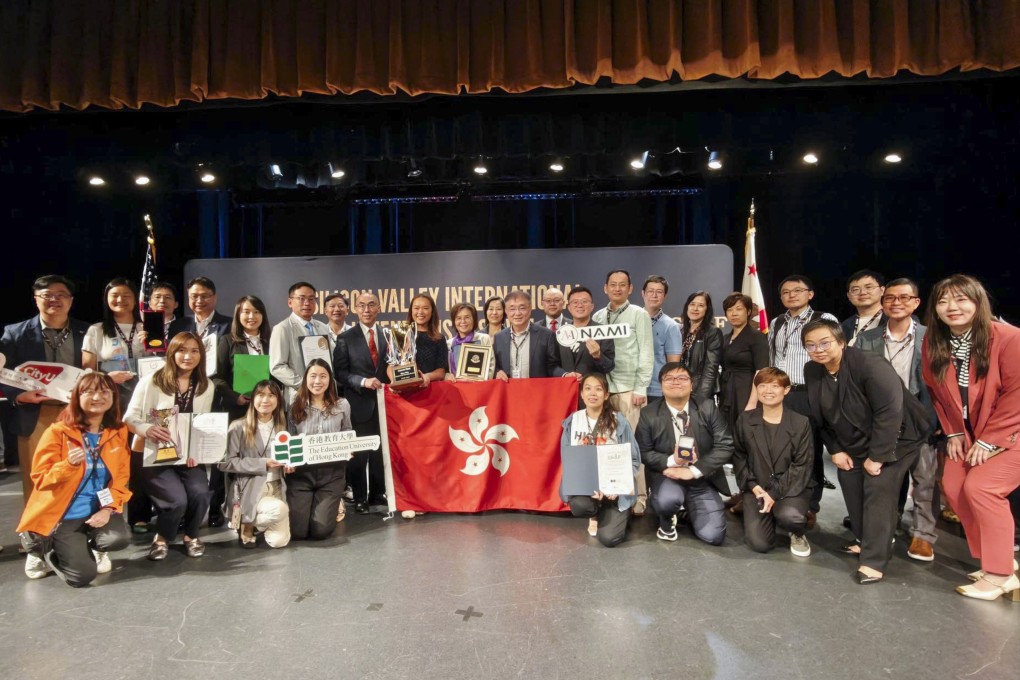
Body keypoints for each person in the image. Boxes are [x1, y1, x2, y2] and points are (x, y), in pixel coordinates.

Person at [803, 319, 931, 584]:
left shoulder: (869, 364)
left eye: (825, 342)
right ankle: (864, 539)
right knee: (849, 479)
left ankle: (874, 560)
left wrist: (878, 456)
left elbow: (890, 413)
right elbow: (820, 416)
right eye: (811, 345)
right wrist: (835, 449)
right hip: (854, 439)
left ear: (840, 341)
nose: (818, 349)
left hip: (898, 437)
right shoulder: (813, 370)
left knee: (878, 486)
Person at [922, 274, 1020, 600]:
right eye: (943, 300)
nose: (952, 307)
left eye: (961, 299)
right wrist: (952, 431)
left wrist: (990, 440)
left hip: (1011, 432)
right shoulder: (936, 342)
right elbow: (938, 392)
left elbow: (1017, 394)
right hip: (969, 434)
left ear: (978, 302)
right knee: (953, 485)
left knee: (983, 488)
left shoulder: (1008, 337)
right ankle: (996, 558)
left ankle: (1000, 574)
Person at [17, 372, 131, 587]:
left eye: (104, 391)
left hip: (97, 509)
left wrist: (108, 509)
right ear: (76, 397)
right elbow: (41, 478)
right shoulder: (58, 432)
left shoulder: (118, 431)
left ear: (113, 397)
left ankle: (92, 548)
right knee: (81, 578)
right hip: (64, 515)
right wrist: (68, 465)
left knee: (117, 539)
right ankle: (41, 549)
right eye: (89, 392)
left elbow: (121, 476)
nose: (97, 397)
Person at [857, 278, 940, 562]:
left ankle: (922, 536)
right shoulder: (867, 339)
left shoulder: (932, 337)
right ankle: (886, 528)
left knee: (925, 479)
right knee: (887, 479)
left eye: (904, 298)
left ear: (916, 302)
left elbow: (942, 384)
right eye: (890, 298)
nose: (896, 303)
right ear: (882, 302)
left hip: (920, 417)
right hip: (882, 420)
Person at [124, 332, 216, 561]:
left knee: (201, 493)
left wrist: (197, 451)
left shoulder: (206, 385)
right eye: (182, 350)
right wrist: (147, 429)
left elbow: (201, 423)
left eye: (194, 351)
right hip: (154, 454)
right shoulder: (151, 381)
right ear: (172, 353)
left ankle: (191, 536)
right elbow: (129, 418)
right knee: (176, 501)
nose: (188, 356)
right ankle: (162, 538)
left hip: (187, 456)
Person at [1, 274, 89, 503]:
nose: (54, 300)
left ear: (70, 300)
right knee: (36, 477)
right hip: (34, 414)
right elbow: (2, 371)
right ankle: (35, 534)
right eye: (47, 295)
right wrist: (19, 395)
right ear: (35, 299)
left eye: (61, 295)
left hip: (76, 413)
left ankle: (76, 530)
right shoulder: (14, 333)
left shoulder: (87, 332)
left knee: (80, 473)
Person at [767, 275, 840, 521]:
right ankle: (779, 495)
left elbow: (835, 355)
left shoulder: (823, 319)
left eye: (797, 290)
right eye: (785, 292)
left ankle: (810, 504)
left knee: (810, 450)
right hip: (780, 393)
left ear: (810, 294)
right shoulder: (777, 322)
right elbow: (772, 358)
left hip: (811, 392)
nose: (791, 295)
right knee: (779, 449)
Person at [81, 277, 150, 533]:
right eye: (114, 296)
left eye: (126, 295)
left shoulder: (149, 326)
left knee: (140, 455)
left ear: (135, 298)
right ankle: (108, 513)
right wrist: (107, 377)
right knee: (113, 457)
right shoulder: (96, 330)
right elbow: (86, 370)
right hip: (111, 401)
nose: (120, 300)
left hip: (143, 398)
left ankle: (140, 515)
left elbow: (164, 363)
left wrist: (151, 346)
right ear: (107, 300)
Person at [637, 362, 733, 545]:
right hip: (669, 476)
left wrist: (694, 471)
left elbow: (725, 445)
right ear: (661, 384)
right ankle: (666, 518)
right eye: (669, 378)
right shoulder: (648, 413)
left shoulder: (707, 407)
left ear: (691, 384)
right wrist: (672, 460)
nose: (676, 382)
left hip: (701, 477)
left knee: (713, 536)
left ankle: (688, 510)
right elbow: (643, 452)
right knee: (667, 501)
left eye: (682, 378)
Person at [731, 368, 814, 556]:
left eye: (775, 386)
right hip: (757, 488)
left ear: (786, 390)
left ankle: (797, 532)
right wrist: (752, 486)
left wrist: (774, 493)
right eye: (762, 385)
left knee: (790, 517)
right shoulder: (745, 420)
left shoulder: (800, 422)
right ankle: (759, 511)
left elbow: (802, 465)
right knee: (759, 544)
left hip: (790, 488)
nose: (768, 391)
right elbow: (739, 456)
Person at [593, 270, 653, 513]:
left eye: (622, 285)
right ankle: (611, 493)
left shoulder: (639, 315)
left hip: (629, 389)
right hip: (604, 390)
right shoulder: (597, 316)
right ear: (605, 288)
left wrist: (641, 388)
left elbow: (647, 353)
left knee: (633, 445)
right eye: (613, 285)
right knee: (607, 444)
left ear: (630, 289)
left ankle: (639, 497)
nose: (617, 289)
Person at [559, 373, 640, 547]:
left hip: (614, 490)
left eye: (598, 389)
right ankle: (594, 513)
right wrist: (587, 487)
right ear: (581, 394)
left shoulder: (619, 422)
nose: (592, 393)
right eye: (587, 388)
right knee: (579, 505)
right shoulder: (573, 421)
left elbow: (633, 459)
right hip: (587, 487)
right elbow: (568, 460)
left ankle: (621, 512)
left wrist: (616, 487)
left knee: (609, 539)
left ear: (606, 394)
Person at [333, 293, 390, 514]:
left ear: (379, 308)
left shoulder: (388, 335)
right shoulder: (346, 338)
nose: (367, 309)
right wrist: (364, 381)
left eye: (371, 305)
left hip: (386, 405)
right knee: (360, 454)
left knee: (380, 452)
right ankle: (359, 498)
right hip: (358, 404)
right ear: (356, 309)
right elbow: (340, 373)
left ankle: (377, 494)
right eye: (362, 306)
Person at [219, 380, 292, 548]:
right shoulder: (238, 426)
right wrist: (263, 463)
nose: (265, 400)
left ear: (278, 400)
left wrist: (289, 465)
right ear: (252, 399)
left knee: (279, 542)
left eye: (271, 395)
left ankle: (253, 521)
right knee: (279, 510)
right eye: (260, 395)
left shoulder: (283, 427)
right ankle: (246, 523)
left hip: (277, 486)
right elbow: (225, 463)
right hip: (250, 488)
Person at [287, 359, 352, 540]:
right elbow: (289, 438)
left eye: (323, 376)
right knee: (298, 532)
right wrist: (289, 461)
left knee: (320, 531)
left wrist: (349, 447)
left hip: (332, 474)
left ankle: (337, 501)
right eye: (313, 376)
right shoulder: (294, 406)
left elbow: (347, 432)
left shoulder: (342, 405)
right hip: (301, 475)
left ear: (330, 380)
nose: (317, 381)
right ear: (305, 378)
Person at [213, 295, 272, 421]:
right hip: (237, 410)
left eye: (256, 312)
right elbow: (216, 378)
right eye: (246, 312)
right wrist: (235, 397)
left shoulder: (271, 342)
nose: (251, 317)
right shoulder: (227, 341)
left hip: (267, 409)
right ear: (238, 315)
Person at [269, 281, 330, 403]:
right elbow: (277, 366)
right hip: (298, 395)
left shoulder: (323, 327)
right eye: (301, 299)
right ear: (290, 302)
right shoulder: (282, 328)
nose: (307, 303)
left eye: (311, 299)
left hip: (325, 395)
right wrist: (305, 384)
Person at [718, 292, 770, 430]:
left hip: (746, 392)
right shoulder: (725, 337)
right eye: (729, 310)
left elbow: (761, 371)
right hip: (727, 392)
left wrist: (752, 402)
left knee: (745, 433)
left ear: (748, 312)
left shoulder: (756, 337)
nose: (734, 313)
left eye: (738, 309)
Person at [493, 290, 570, 381]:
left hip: (536, 392)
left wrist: (565, 375)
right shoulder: (499, 337)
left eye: (522, 308)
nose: (517, 313)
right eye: (512, 309)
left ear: (530, 309)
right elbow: (495, 366)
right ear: (506, 311)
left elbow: (552, 367)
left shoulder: (546, 335)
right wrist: (496, 372)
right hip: (508, 391)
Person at [388, 294, 447, 388]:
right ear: (411, 311)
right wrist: (394, 382)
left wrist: (426, 377)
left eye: (425, 308)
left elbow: (441, 371)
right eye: (416, 308)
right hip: (403, 393)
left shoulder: (439, 338)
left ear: (432, 311)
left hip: (429, 391)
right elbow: (390, 365)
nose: (420, 312)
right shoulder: (400, 334)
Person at [641, 275, 682, 402]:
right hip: (632, 388)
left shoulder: (671, 326)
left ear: (665, 296)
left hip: (656, 391)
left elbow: (673, 366)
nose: (654, 295)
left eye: (659, 292)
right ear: (643, 294)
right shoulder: (632, 320)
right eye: (650, 291)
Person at [559, 287, 615, 379]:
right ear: (569, 307)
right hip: (566, 389)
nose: (580, 305)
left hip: (592, 390)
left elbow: (609, 367)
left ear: (592, 306)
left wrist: (598, 355)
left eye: (584, 301)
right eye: (575, 302)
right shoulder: (561, 332)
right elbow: (553, 365)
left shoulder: (604, 331)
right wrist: (565, 375)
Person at [679, 290, 722, 406]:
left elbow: (710, 370)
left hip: (698, 393)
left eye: (701, 305)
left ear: (707, 310)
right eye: (692, 304)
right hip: (678, 390)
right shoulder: (680, 331)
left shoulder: (712, 333)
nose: (695, 308)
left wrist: (700, 399)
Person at [168, 276, 232, 340]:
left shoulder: (230, 325)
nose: (199, 301)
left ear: (215, 298)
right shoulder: (177, 325)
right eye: (194, 296)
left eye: (204, 296)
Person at [445, 303, 494, 381]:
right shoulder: (448, 344)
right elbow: (445, 370)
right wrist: (447, 376)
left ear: (474, 319)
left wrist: (479, 380)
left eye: (467, 317)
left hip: (479, 387)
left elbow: (490, 366)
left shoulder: (484, 339)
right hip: (456, 388)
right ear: (454, 321)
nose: (463, 321)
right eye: (458, 318)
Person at [841, 270, 887, 347]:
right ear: (849, 296)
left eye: (868, 287)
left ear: (882, 290)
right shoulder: (845, 325)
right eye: (855, 289)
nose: (862, 292)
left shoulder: (893, 319)